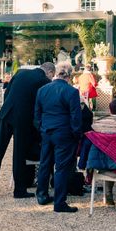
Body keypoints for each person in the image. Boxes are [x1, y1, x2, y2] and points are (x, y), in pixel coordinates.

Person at [0, 62, 55, 198]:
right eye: (52, 76)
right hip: (22, 119)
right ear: (50, 73)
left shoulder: (20, 72)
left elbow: (8, 92)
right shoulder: (44, 81)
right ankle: (19, 190)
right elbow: (41, 104)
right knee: (19, 153)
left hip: (6, 114)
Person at [34, 61, 82, 213]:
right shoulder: (71, 92)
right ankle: (59, 202)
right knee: (61, 168)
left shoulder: (42, 90)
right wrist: (76, 134)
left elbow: (37, 114)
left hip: (47, 131)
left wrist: (41, 128)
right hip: (64, 133)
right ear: (69, 76)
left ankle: (42, 195)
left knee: (45, 163)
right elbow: (76, 117)